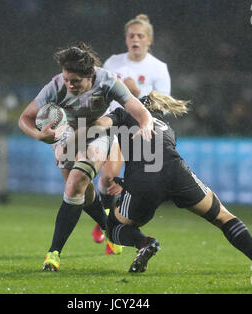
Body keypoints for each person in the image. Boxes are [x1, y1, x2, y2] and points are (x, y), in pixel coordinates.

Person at [89, 90, 252, 274]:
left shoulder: (123, 113)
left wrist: (79, 124)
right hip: (177, 172)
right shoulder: (166, 125)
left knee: (114, 227)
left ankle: (144, 243)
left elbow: (103, 125)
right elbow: (158, 158)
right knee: (222, 216)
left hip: (145, 179)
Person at [18, 42, 155, 271]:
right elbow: (25, 118)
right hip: (66, 133)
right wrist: (39, 135)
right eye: (67, 79)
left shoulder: (107, 81)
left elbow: (138, 109)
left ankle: (53, 254)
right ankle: (109, 227)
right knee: (81, 191)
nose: (69, 85)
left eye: (76, 81)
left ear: (90, 75)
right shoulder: (56, 85)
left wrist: (146, 124)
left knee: (74, 185)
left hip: (97, 130)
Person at [92, 14, 172, 248]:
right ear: (126, 39)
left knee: (135, 186)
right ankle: (106, 224)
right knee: (107, 178)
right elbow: (101, 95)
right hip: (116, 127)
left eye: (140, 36)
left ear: (149, 40)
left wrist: (137, 92)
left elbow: (164, 109)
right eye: (131, 36)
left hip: (142, 133)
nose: (135, 39)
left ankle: (116, 227)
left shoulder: (158, 68)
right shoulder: (113, 63)